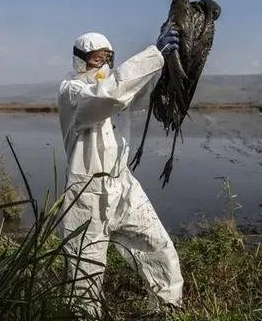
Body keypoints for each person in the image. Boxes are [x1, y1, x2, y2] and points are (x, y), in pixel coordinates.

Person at [57, 27, 183, 316]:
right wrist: (152, 55)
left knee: (159, 248)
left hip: (123, 186)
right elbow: (109, 96)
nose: (101, 65)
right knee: (83, 279)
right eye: (94, 60)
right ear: (80, 61)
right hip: (86, 197)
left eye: (107, 58)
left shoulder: (114, 88)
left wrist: (161, 65)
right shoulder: (73, 91)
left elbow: (132, 93)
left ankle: (168, 310)